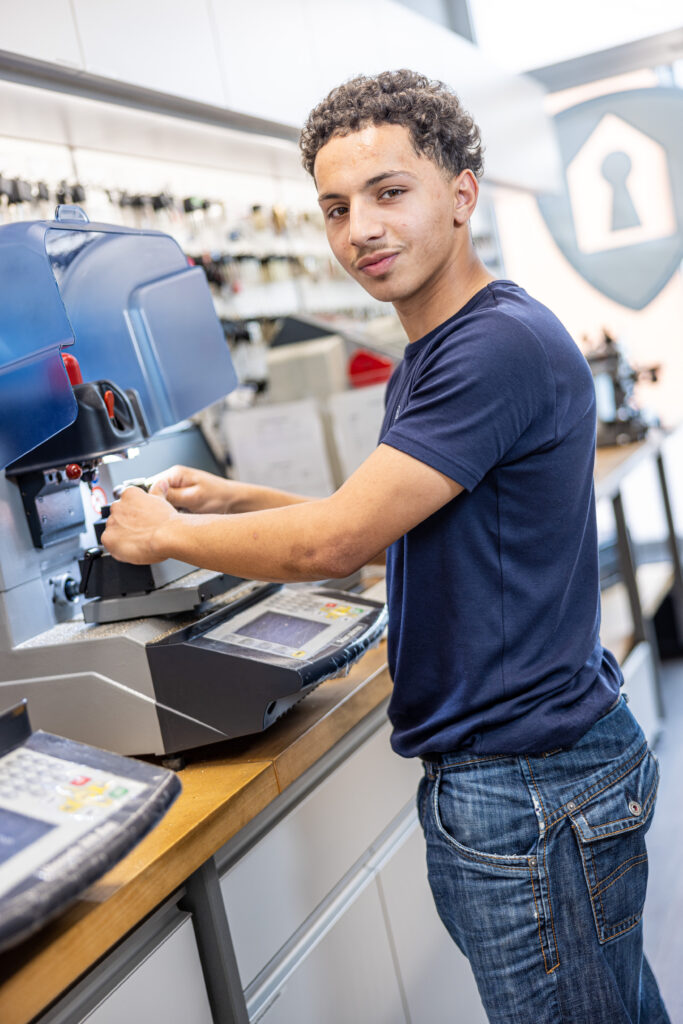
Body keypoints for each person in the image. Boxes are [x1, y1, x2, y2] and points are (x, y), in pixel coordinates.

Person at [102, 70, 670, 1023]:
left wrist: (168, 532)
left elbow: (336, 544)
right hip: (542, 770)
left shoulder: (489, 350)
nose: (358, 227)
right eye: (334, 207)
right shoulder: (440, 349)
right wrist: (240, 497)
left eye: (388, 192)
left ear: (461, 192)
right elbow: (396, 523)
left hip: (528, 786)